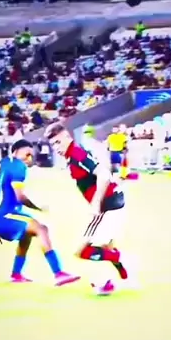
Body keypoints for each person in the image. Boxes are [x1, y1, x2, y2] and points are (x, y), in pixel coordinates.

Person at [0, 139, 80, 286]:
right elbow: (20, 197)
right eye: (27, 154)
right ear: (15, 151)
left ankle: (16, 274)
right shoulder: (18, 166)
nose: (29, 158)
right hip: (3, 215)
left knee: (26, 234)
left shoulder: (0, 165)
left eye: (31, 156)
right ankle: (59, 274)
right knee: (41, 229)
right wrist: (39, 208)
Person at [45, 123, 129, 294]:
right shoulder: (73, 155)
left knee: (81, 251)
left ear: (67, 137)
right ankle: (120, 276)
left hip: (108, 204)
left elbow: (104, 175)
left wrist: (96, 203)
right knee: (106, 246)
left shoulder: (76, 154)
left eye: (58, 142)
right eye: (53, 144)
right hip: (113, 202)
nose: (56, 148)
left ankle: (107, 276)